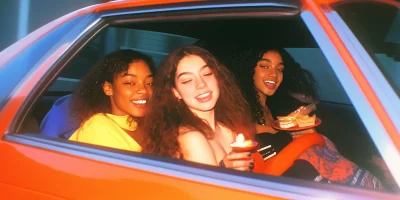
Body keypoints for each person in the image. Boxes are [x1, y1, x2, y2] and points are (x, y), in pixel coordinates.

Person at [227, 47, 385, 190]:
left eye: (280, 69)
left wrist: (304, 133)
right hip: (289, 182)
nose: (274, 74)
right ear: (249, 69)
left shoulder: (275, 107)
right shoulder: (237, 112)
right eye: (265, 66)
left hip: (309, 167)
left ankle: (374, 160)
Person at [144, 46, 256, 171]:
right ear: (176, 92)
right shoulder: (192, 138)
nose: (201, 84)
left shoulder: (227, 128)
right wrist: (223, 168)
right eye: (187, 81)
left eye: (207, 74)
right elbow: (208, 189)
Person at [68, 49, 155, 152]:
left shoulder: (152, 125)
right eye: (130, 83)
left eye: (149, 83)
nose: (144, 90)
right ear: (108, 88)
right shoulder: (98, 128)